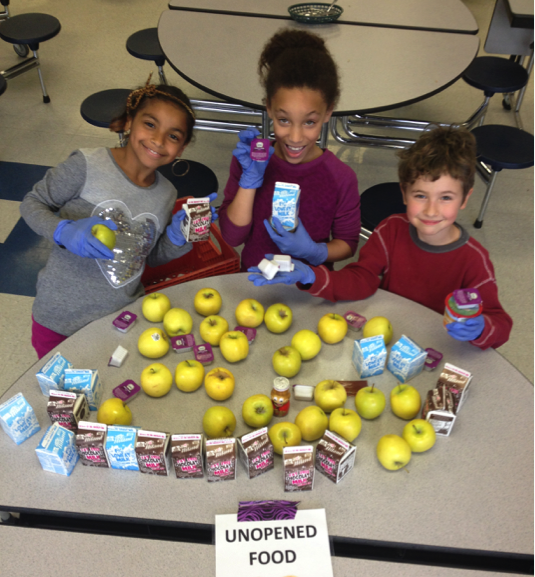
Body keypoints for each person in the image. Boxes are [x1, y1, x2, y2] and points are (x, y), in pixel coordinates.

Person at [249, 126, 512, 350]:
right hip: (384, 338)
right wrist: (311, 275)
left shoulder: (474, 259)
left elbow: (500, 325)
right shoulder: (391, 230)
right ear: (405, 193)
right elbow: (361, 280)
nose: (432, 210)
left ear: (465, 198)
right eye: (421, 195)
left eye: (446, 197)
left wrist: (479, 329)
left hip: (439, 348)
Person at [21, 76, 216, 359]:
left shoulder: (166, 193)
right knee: (64, 397)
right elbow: (32, 203)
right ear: (128, 122)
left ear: (182, 149)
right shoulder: (87, 164)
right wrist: (63, 231)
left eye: (173, 136)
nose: (159, 140)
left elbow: (147, 256)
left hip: (122, 321)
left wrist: (179, 236)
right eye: (150, 124)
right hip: (58, 319)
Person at [218, 29, 360, 271]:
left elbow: (348, 242)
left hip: (312, 293)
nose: (295, 137)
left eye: (309, 122)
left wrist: (315, 252)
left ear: (328, 113)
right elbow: (232, 237)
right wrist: (249, 182)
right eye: (284, 120)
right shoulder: (251, 162)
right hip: (253, 285)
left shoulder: (341, 177)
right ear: (269, 108)